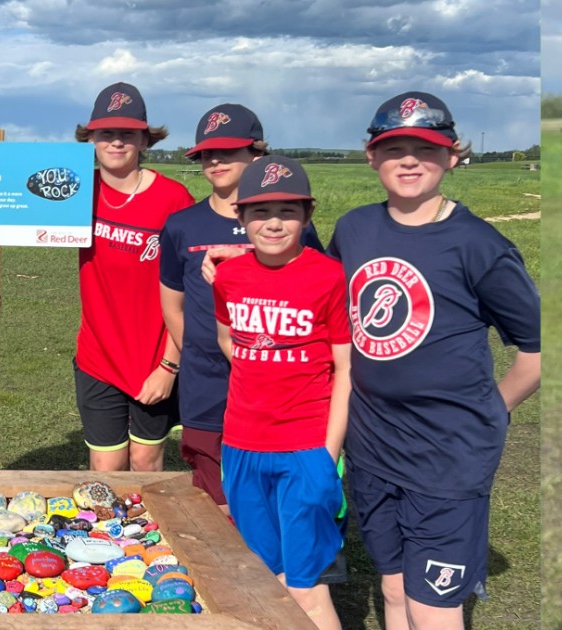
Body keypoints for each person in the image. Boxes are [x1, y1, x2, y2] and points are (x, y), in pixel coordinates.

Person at [327, 91, 540, 630]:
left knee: (432, 608)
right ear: (372, 157)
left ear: (451, 156)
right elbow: (322, 301)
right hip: (372, 447)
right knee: (395, 589)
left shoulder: (477, 245)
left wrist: (493, 408)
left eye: (425, 148)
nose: (408, 160)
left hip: (448, 458)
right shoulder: (354, 230)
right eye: (393, 147)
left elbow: (539, 351)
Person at [0, 82, 193, 472]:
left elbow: (187, 293)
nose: (116, 142)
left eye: (127, 133)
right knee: (106, 468)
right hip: (98, 354)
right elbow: (6, 183)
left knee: (147, 461)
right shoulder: (76, 188)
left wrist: (170, 367)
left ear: (144, 139)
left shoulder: (173, 198)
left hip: (155, 356)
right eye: (106, 133)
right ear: (91, 138)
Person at [160, 103, 324, 513]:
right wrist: (201, 356)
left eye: (229, 151)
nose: (215, 160)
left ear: (257, 154)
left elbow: (317, 295)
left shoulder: (289, 225)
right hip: (208, 387)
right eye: (205, 154)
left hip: (278, 386)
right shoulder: (182, 225)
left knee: (276, 498)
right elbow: (173, 306)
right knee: (215, 501)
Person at [212, 155, 348, 630]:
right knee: (265, 580)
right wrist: (265, 367)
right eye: (260, 211)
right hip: (243, 445)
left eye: (288, 211)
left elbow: (345, 369)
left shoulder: (328, 275)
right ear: (240, 217)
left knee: (307, 589)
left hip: (306, 447)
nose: (274, 223)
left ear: (308, 216)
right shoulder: (228, 277)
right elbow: (228, 338)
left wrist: (326, 456)